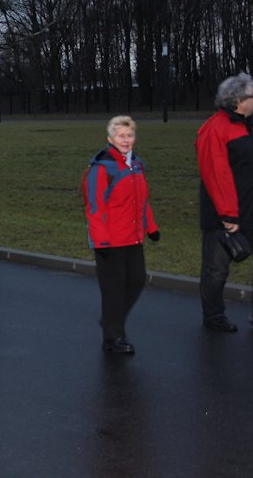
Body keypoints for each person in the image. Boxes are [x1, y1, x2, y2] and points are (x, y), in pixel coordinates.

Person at [197, 73, 253, 332]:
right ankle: (214, 317)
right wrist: (228, 216)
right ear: (238, 100)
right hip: (224, 214)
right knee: (217, 270)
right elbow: (215, 174)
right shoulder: (215, 128)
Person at [83, 116, 159, 354]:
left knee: (137, 280)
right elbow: (95, 208)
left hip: (133, 237)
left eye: (129, 135)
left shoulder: (136, 166)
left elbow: (142, 202)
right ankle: (113, 337)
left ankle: (110, 321)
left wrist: (151, 227)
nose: (126, 140)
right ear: (110, 139)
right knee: (114, 289)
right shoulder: (102, 168)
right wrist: (101, 241)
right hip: (110, 240)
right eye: (120, 136)